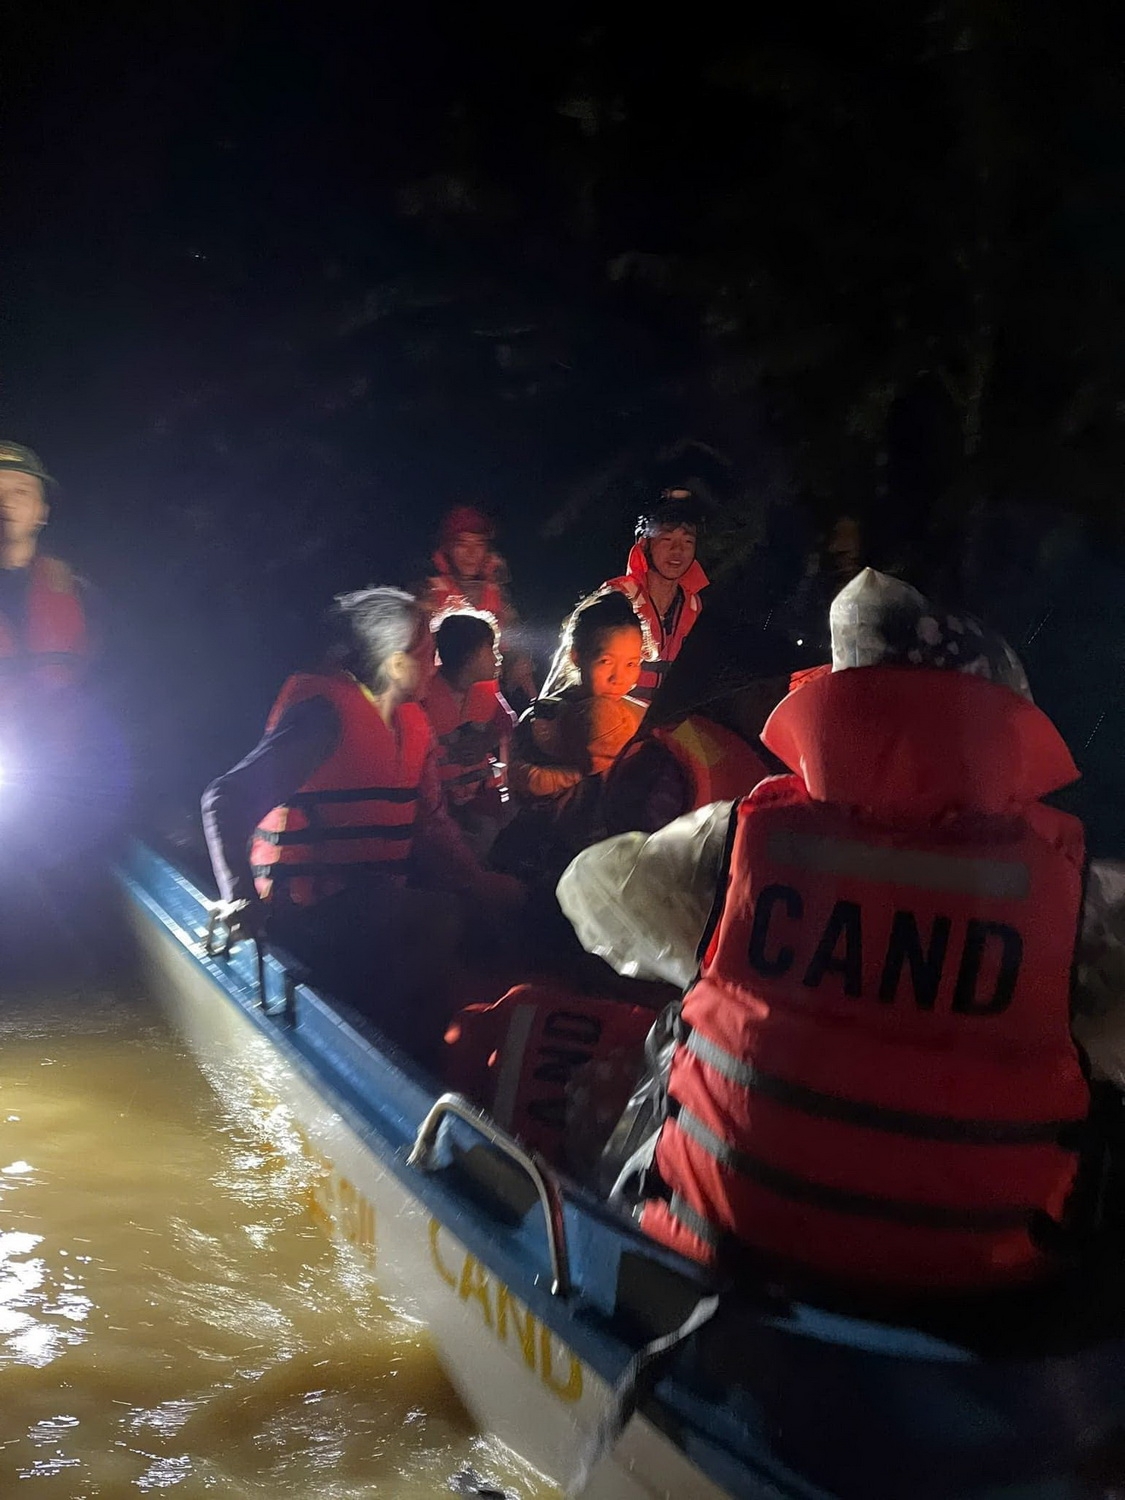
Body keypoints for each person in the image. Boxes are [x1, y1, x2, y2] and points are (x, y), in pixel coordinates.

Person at [559, 569, 1095, 1294]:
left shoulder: (737, 842)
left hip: (720, 1251)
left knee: (670, 1028)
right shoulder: (1072, 894)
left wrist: (723, 950)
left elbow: (589, 890)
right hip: (969, 1290)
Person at [202, 587, 521, 1058]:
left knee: (488, 904)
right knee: (438, 916)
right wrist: (239, 898)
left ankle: (412, 1038)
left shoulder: (410, 724)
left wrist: (481, 883)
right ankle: (395, 1047)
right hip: (304, 912)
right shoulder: (323, 717)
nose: (436, 664)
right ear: (394, 662)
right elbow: (224, 800)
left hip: (367, 902)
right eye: (426, 653)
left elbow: (431, 827)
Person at [494, 591, 646, 885]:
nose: (620, 677)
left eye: (631, 663)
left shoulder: (632, 714)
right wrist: (573, 774)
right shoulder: (548, 715)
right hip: (548, 857)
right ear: (577, 655)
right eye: (606, 661)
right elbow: (522, 779)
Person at [602, 610, 790, 835]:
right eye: (762, 690)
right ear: (726, 687)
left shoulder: (772, 758)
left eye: (781, 690)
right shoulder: (668, 764)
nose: (774, 703)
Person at [419, 505, 536, 708]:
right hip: (440, 697)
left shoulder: (497, 593)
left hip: (490, 694)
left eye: (479, 544)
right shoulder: (429, 595)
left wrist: (534, 699)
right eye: (462, 544)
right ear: (447, 548)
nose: (471, 553)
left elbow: (516, 652)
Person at [421, 609, 515, 858]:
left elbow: (506, 723)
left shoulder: (488, 690)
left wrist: (486, 739)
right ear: (469, 657)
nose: (498, 658)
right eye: (491, 650)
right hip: (438, 802)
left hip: (481, 795)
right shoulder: (423, 694)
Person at [0, 441, 90, 699]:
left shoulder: (83, 594)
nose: (5, 504)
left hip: (66, 735)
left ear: (42, 511)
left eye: (21, 492)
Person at [603, 488, 708, 705]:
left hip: (666, 722)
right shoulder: (618, 597)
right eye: (667, 539)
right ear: (644, 543)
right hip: (615, 719)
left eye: (688, 542)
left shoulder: (694, 606)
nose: (678, 550)